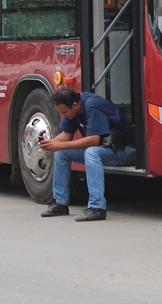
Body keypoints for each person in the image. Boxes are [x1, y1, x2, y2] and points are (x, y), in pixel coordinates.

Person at [38, 87, 135, 222]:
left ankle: (97, 208)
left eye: (64, 112)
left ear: (75, 105)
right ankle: (60, 203)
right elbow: (66, 136)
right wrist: (50, 143)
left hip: (127, 151)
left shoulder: (92, 105)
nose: (63, 116)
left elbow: (94, 140)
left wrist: (59, 145)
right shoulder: (73, 109)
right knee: (61, 152)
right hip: (105, 150)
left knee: (91, 152)